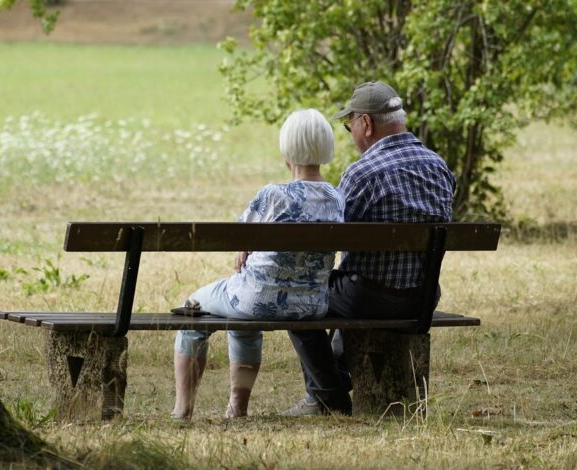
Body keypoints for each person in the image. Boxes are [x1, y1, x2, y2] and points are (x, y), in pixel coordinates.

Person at [282, 81, 456, 416]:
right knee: (350, 285)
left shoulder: (361, 173)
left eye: (350, 127)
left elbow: (331, 239)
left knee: (297, 295)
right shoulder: (439, 167)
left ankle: (328, 397)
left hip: (369, 298)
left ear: (366, 123)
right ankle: (334, 381)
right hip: (422, 297)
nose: (351, 134)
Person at [172, 109, 345, 420]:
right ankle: (236, 408)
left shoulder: (273, 195)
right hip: (311, 305)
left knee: (192, 308)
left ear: (287, 150)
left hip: (256, 300)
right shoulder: (337, 198)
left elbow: (239, 237)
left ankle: (182, 410)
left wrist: (245, 247)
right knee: (242, 316)